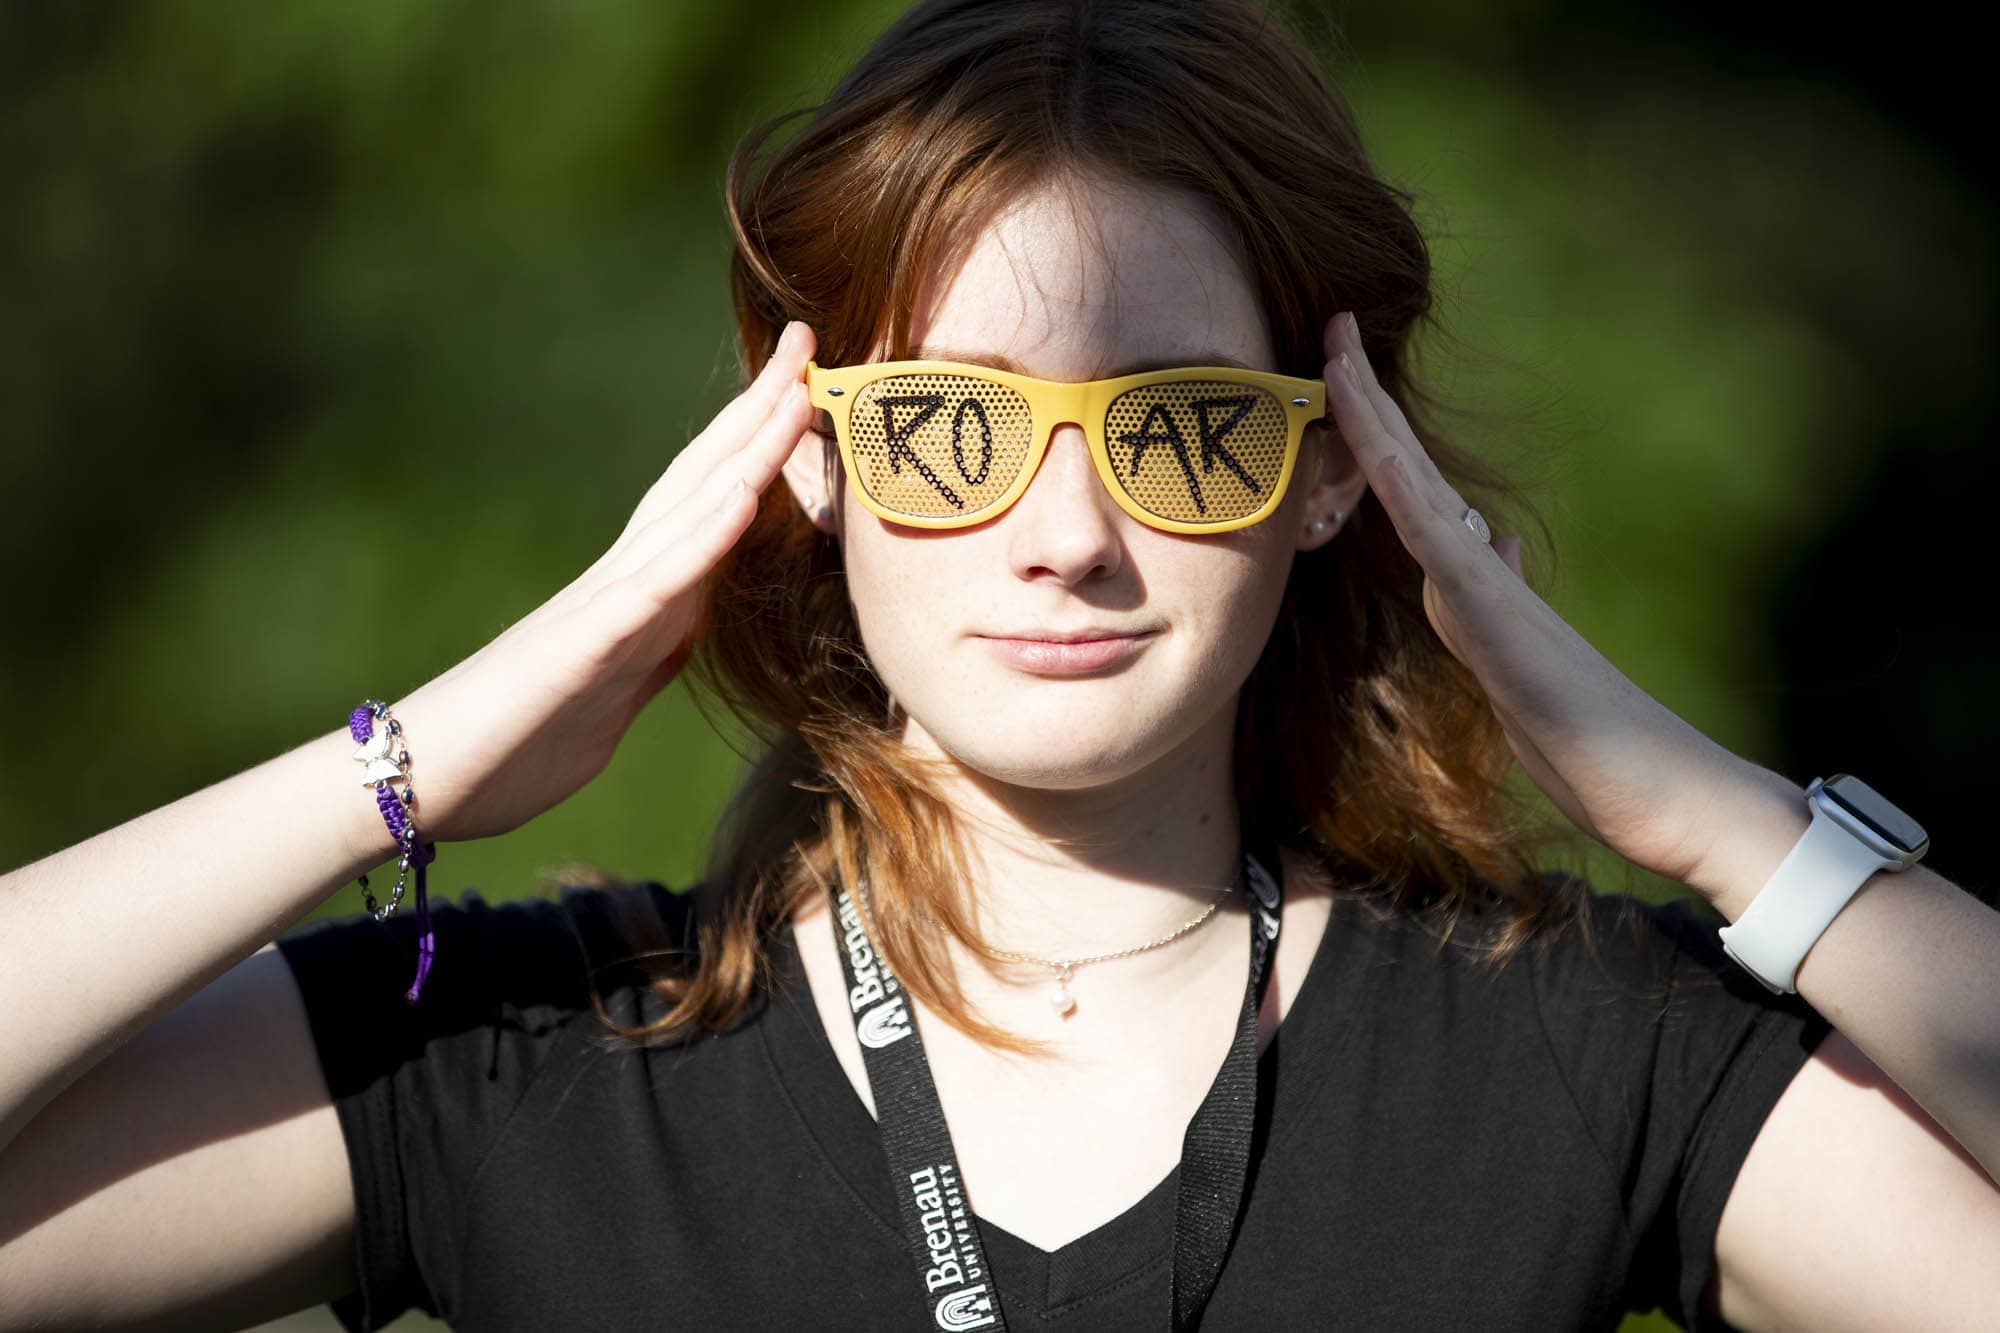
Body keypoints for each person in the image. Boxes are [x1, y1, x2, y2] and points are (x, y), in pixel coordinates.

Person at [4, 1, 1996, 1329]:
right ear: (813, 463)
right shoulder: (527, 1056)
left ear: (1329, 474)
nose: (1066, 531)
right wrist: (416, 758)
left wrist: (1714, 825)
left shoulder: (1566, 1049)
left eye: (1180, 428)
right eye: (950, 428)